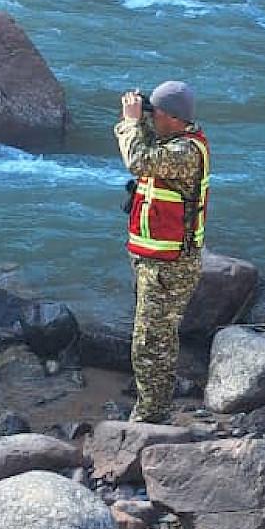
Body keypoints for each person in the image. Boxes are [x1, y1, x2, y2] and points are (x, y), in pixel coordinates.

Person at [115, 80, 210, 424]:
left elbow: (138, 160)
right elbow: (147, 149)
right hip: (154, 259)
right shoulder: (171, 140)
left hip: (170, 265)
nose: (150, 118)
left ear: (172, 117)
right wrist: (139, 118)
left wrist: (129, 122)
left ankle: (152, 416)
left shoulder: (184, 153)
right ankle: (155, 402)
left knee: (150, 341)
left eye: (155, 113)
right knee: (155, 337)